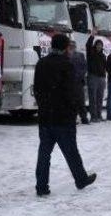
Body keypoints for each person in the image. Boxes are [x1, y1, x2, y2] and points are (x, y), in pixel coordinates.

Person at [34, 34, 97, 196]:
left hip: (45, 117)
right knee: (71, 151)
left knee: (44, 154)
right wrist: (75, 110)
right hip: (63, 118)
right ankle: (81, 179)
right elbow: (71, 92)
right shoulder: (66, 65)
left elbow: (37, 90)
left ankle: (41, 187)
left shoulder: (41, 63)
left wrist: (43, 106)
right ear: (64, 47)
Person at [86, 28, 107, 123]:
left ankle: (99, 115)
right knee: (92, 98)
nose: (99, 46)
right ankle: (93, 116)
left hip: (102, 78)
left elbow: (105, 66)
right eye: (98, 45)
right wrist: (92, 35)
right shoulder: (91, 53)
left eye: (100, 45)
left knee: (100, 98)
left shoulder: (103, 55)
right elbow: (88, 45)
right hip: (93, 77)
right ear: (95, 46)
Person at [67, 40, 89, 124]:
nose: (72, 46)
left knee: (81, 101)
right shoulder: (65, 55)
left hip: (79, 82)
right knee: (71, 102)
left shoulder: (80, 55)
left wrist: (80, 75)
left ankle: (84, 118)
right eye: (70, 45)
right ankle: (73, 118)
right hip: (69, 82)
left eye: (73, 45)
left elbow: (84, 67)